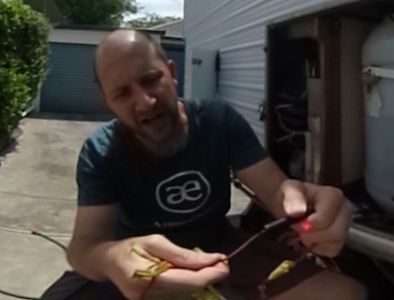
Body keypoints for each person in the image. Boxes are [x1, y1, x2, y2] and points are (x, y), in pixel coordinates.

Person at [39, 29, 366, 300]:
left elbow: (275, 190)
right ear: (107, 103)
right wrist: (111, 259)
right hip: (141, 266)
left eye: (151, 79)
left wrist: (306, 208)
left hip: (220, 247)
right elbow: (83, 248)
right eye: (123, 94)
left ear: (172, 72)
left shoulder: (218, 120)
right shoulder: (100, 150)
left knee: (346, 294)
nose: (144, 101)